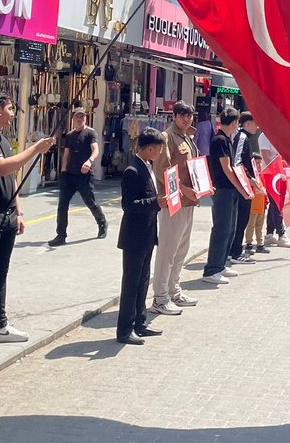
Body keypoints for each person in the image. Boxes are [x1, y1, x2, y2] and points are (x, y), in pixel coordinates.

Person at [0, 95, 56, 360]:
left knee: (0, 274)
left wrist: (19, 211)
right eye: (10, 108)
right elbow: (3, 168)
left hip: (8, 217)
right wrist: (35, 148)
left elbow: (12, 178)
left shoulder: (3, 139)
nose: (14, 113)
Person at [150, 101, 201, 315]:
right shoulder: (167, 137)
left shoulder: (187, 136)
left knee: (181, 250)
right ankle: (160, 297)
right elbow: (163, 170)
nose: (187, 119)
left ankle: (173, 290)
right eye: (182, 115)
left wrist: (201, 186)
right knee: (167, 251)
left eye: (189, 115)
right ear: (174, 116)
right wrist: (183, 189)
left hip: (189, 202)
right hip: (174, 202)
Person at [116, 128, 166, 345]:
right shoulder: (132, 170)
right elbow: (128, 205)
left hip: (147, 233)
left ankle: (140, 322)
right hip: (134, 236)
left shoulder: (148, 166)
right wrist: (155, 202)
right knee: (131, 283)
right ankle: (124, 330)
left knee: (143, 280)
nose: (160, 153)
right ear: (150, 148)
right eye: (159, 149)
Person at [49, 107, 108, 245]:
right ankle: (61, 235)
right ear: (73, 118)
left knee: (90, 202)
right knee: (62, 205)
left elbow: (95, 150)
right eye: (77, 116)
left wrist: (89, 161)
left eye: (82, 116)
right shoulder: (69, 135)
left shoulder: (90, 133)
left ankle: (102, 223)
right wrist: (63, 171)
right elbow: (66, 154)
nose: (80, 119)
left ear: (85, 118)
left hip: (84, 176)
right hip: (69, 175)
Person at [203, 108, 249, 285]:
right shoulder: (220, 140)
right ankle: (212, 269)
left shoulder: (227, 139)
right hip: (222, 190)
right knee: (221, 229)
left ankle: (220, 264)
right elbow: (227, 168)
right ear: (234, 122)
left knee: (230, 228)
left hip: (230, 190)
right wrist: (241, 187)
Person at [228, 112, 261, 265]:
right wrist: (249, 179)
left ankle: (234, 250)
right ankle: (235, 252)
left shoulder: (243, 137)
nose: (258, 127)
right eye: (255, 123)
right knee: (241, 219)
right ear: (247, 124)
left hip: (244, 184)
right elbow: (237, 162)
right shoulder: (241, 137)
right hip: (242, 185)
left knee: (242, 219)